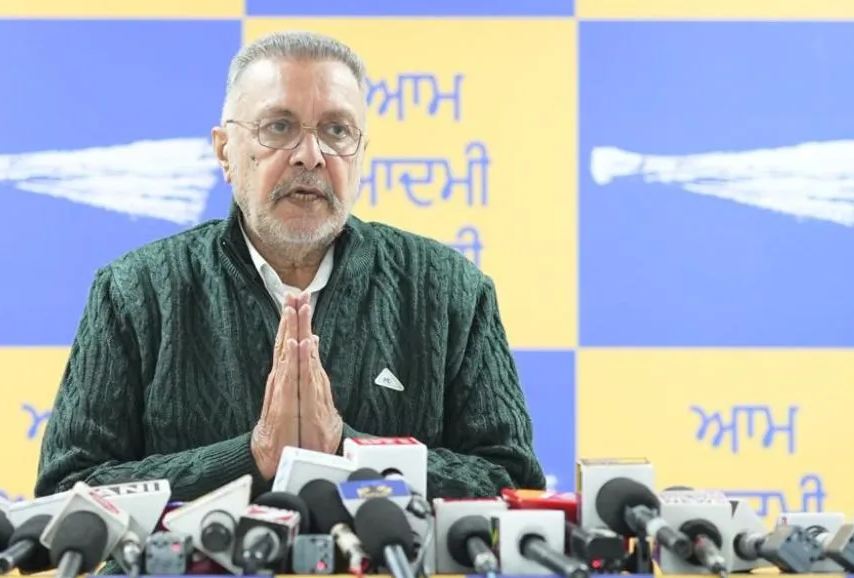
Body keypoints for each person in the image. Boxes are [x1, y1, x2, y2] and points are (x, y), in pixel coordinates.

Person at [34, 31, 546, 508]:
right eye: (279, 127)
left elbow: (513, 482)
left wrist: (348, 450)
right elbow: (66, 490)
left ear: (361, 155)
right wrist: (251, 457)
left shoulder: (450, 291)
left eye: (337, 131)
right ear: (224, 151)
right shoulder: (135, 291)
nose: (310, 156)